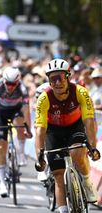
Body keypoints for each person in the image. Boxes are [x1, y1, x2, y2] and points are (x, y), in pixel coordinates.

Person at [34, 59, 101, 213]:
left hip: (74, 127)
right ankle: (63, 210)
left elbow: (89, 121)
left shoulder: (81, 92)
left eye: (60, 78)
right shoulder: (44, 98)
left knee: (77, 154)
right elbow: (40, 129)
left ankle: (86, 180)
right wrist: (39, 155)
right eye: (52, 79)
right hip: (53, 131)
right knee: (58, 174)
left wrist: (93, 147)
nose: (57, 83)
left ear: (68, 77)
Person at [0, 66, 32, 197]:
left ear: (18, 82)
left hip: (16, 110)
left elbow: (26, 110)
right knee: (1, 147)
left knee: (19, 122)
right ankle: (2, 183)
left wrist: (27, 128)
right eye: (8, 83)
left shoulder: (22, 89)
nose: (10, 87)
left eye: (13, 84)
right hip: (0, 112)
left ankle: (21, 153)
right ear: (4, 80)